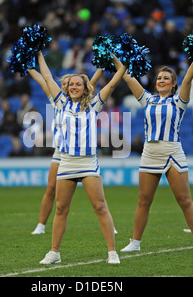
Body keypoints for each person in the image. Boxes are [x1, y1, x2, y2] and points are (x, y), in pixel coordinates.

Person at [36, 50, 127, 264]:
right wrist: (39, 52)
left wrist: (114, 58)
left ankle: (112, 252)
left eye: (78, 84)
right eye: (71, 85)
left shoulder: (94, 104)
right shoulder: (60, 102)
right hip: (66, 162)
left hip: (87, 162)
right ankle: (54, 252)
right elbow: (47, 77)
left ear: (86, 88)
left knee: (100, 206)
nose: (73, 87)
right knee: (61, 208)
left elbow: (115, 79)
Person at [119, 61, 193, 253]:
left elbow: (189, 78)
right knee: (143, 200)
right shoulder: (147, 99)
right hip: (150, 153)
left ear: (174, 84)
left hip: (172, 152)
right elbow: (127, 76)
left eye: (166, 78)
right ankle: (135, 242)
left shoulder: (179, 101)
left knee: (184, 199)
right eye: (159, 78)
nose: (161, 81)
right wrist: (115, 57)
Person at [27, 68, 104, 235]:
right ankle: (41, 225)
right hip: (60, 152)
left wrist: (102, 67)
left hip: (82, 153)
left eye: (68, 84)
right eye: (64, 84)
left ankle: (108, 224)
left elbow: (91, 84)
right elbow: (43, 79)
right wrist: (28, 67)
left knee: (97, 197)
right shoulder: (57, 100)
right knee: (51, 188)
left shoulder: (83, 102)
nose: (65, 87)